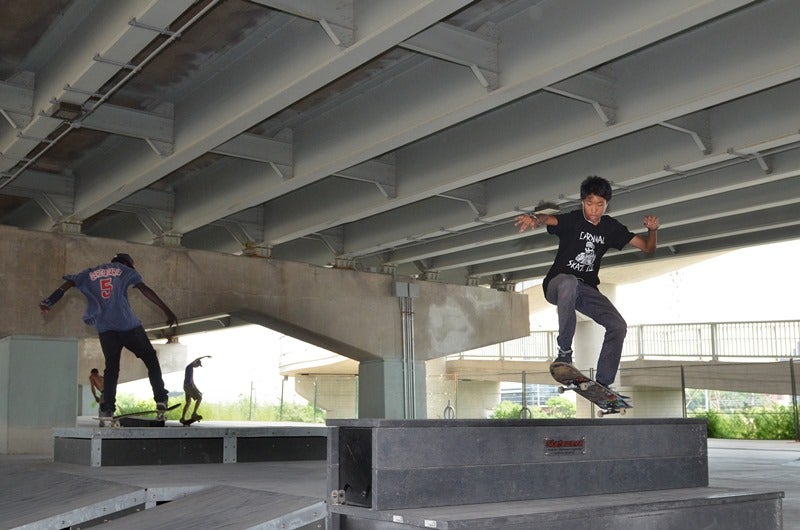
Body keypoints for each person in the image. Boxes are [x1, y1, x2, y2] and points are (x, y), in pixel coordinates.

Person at [515, 176, 659, 390]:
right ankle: (564, 353)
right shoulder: (574, 220)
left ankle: (603, 384)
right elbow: (551, 219)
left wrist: (653, 230)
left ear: (606, 204)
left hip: (586, 290)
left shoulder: (611, 228)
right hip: (557, 284)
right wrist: (535, 219)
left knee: (617, 326)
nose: (594, 210)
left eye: (600, 205)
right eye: (590, 204)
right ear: (583, 202)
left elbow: (648, 248)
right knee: (569, 282)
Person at [39, 253, 178, 423]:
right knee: (150, 358)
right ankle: (161, 399)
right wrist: (167, 310)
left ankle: (107, 409)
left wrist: (51, 300)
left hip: (105, 329)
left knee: (111, 368)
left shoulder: (90, 273)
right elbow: (144, 289)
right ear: (128, 264)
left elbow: (69, 283)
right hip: (129, 326)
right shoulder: (124, 270)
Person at [180, 356, 206, 425]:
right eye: (198, 365)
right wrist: (205, 356)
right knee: (199, 398)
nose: (197, 366)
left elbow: (193, 383)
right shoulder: (189, 366)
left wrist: (198, 391)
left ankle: (182, 418)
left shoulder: (191, 369)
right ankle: (194, 413)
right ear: (196, 363)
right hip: (188, 386)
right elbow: (196, 359)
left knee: (188, 402)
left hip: (187, 386)